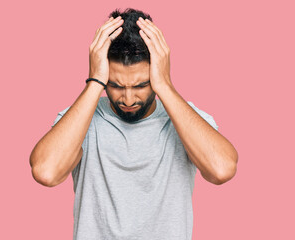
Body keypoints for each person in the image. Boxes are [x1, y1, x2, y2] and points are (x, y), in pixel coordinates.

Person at [29, 8, 238, 240]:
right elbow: (46, 172)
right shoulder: (80, 118)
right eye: (116, 85)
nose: (128, 100)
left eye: (140, 86)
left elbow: (222, 169)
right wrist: (95, 82)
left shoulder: (185, 118)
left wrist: (165, 86)